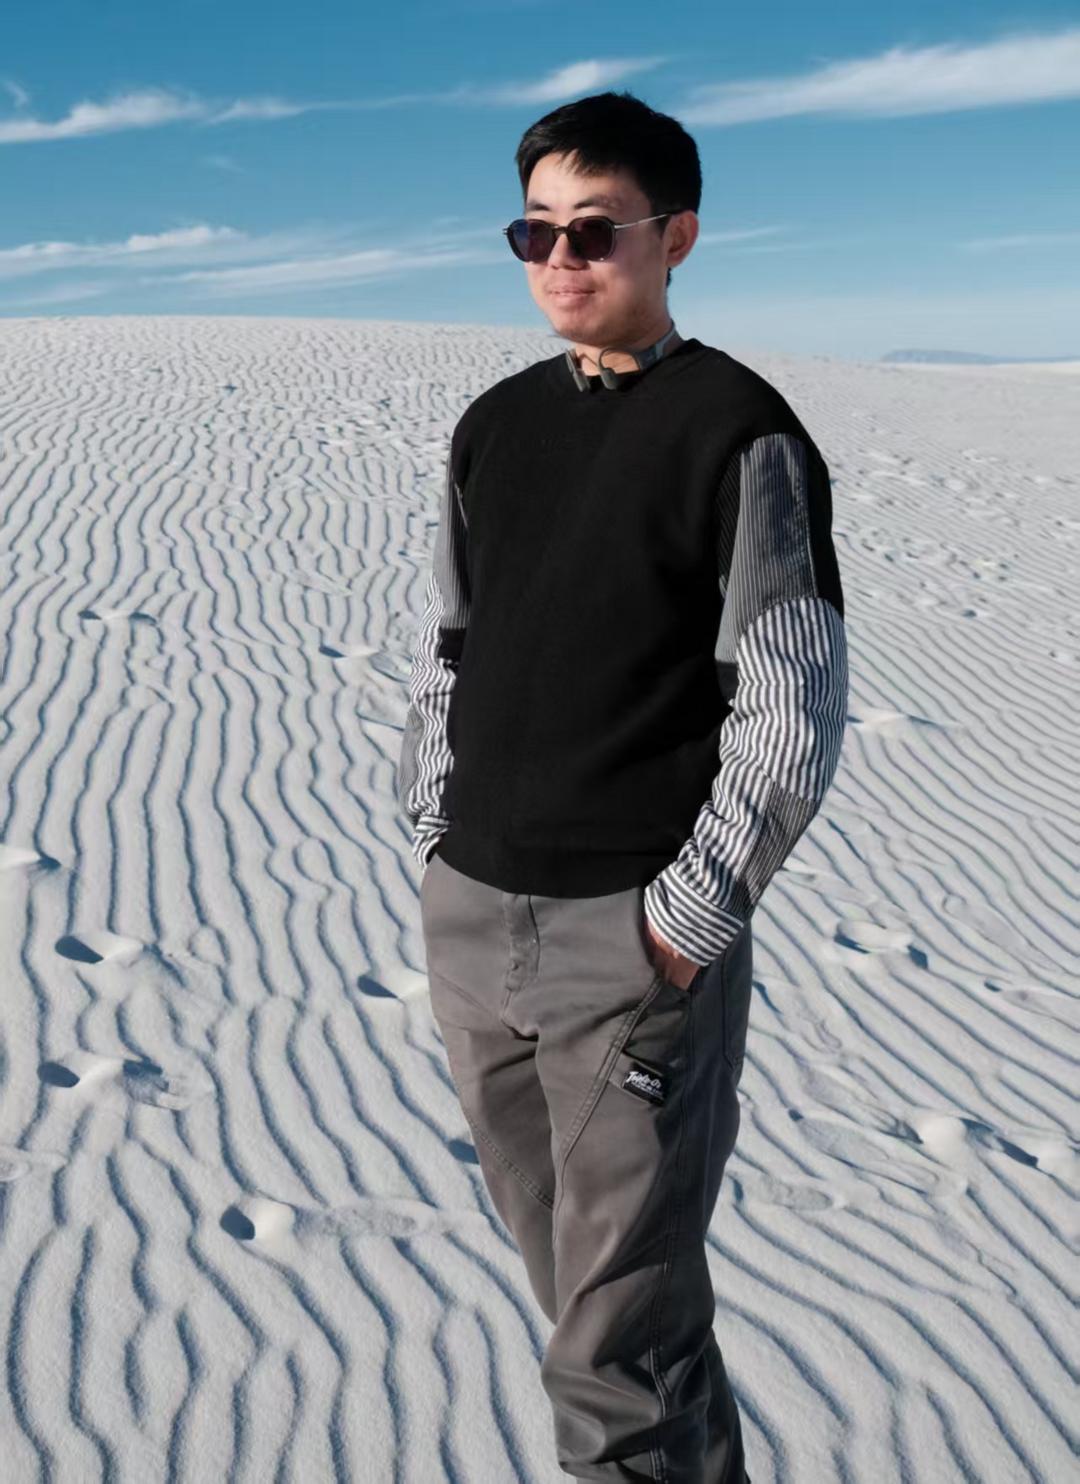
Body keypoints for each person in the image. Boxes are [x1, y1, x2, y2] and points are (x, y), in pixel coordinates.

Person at [397, 89, 848, 1483]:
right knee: (603, 1309)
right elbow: (454, 648)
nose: (559, 259)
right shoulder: (494, 426)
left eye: (594, 230)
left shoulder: (740, 430)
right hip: (475, 924)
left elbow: (790, 701)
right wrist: (434, 834)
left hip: (630, 943)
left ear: (676, 238)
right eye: (534, 230)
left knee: (610, 1360)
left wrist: (683, 923)